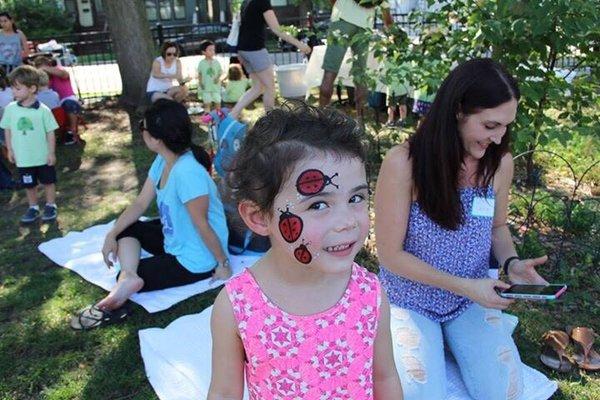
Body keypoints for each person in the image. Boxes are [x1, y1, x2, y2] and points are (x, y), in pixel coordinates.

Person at [374, 58, 550, 400]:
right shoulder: (404, 163)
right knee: (419, 395)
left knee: (505, 393)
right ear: (458, 110)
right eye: (490, 125)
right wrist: (468, 286)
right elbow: (390, 256)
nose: (499, 138)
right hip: (410, 298)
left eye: (505, 127)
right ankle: (437, 343)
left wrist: (512, 263)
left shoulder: (499, 162)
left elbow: (497, 227)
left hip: (471, 298)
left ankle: (454, 343)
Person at [208, 102, 402, 399]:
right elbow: (223, 393)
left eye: (357, 198)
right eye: (318, 204)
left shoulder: (369, 294)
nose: (347, 222)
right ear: (259, 217)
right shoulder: (237, 306)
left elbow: (385, 378)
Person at [71, 99, 230, 330]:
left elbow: (202, 225)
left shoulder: (188, 173)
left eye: (142, 128)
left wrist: (222, 263)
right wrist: (111, 235)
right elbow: (140, 204)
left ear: (157, 138)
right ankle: (128, 276)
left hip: (196, 258)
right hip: (176, 238)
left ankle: (127, 278)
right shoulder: (163, 160)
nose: (141, 132)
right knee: (126, 226)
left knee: (134, 271)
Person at [228, 0, 311, 120]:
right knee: (270, 87)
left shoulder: (246, 2)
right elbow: (277, 30)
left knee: (258, 87)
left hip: (243, 50)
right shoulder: (263, 3)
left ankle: (232, 116)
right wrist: (300, 45)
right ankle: (270, 122)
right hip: (255, 50)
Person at [0, 65, 59, 222]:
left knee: (48, 181)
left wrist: (51, 152)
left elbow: (50, 131)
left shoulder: (43, 110)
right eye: (13, 88)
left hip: (42, 156)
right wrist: (10, 149)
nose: (13, 92)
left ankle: (50, 205)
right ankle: (33, 207)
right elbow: (7, 129)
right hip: (23, 158)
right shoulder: (11, 109)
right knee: (29, 184)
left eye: (18, 89)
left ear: (32, 88)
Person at [319, 0, 393, 120]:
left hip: (341, 20)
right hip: (364, 26)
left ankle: (321, 119)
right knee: (360, 75)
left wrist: (340, 6)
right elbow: (387, 18)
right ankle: (360, 122)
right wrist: (393, 33)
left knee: (330, 72)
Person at [33, 56, 82, 144]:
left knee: (69, 104)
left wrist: (44, 68)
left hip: (65, 100)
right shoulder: (41, 79)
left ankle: (72, 131)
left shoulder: (58, 71)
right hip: (52, 105)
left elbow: (65, 74)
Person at [197, 40, 223, 114]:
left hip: (215, 86)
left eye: (213, 50)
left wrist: (217, 78)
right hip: (206, 87)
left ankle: (218, 114)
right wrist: (200, 82)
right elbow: (200, 73)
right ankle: (207, 115)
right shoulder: (201, 63)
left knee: (217, 101)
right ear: (204, 52)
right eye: (210, 50)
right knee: (207, 102)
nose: (212, 52)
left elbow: (220, 72)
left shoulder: (216, 62)